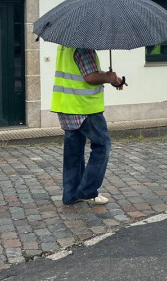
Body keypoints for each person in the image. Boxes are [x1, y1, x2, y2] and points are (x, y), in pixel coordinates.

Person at [52, 46, 125, 206]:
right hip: (85, 108)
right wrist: (108, 77)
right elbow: (90, 77)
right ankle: (87, 191)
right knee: (102, 145)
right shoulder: (83, 48)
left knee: (74, 152)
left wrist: (112, 79)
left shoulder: (65, 47)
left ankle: (71, 195)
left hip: (66, 105)